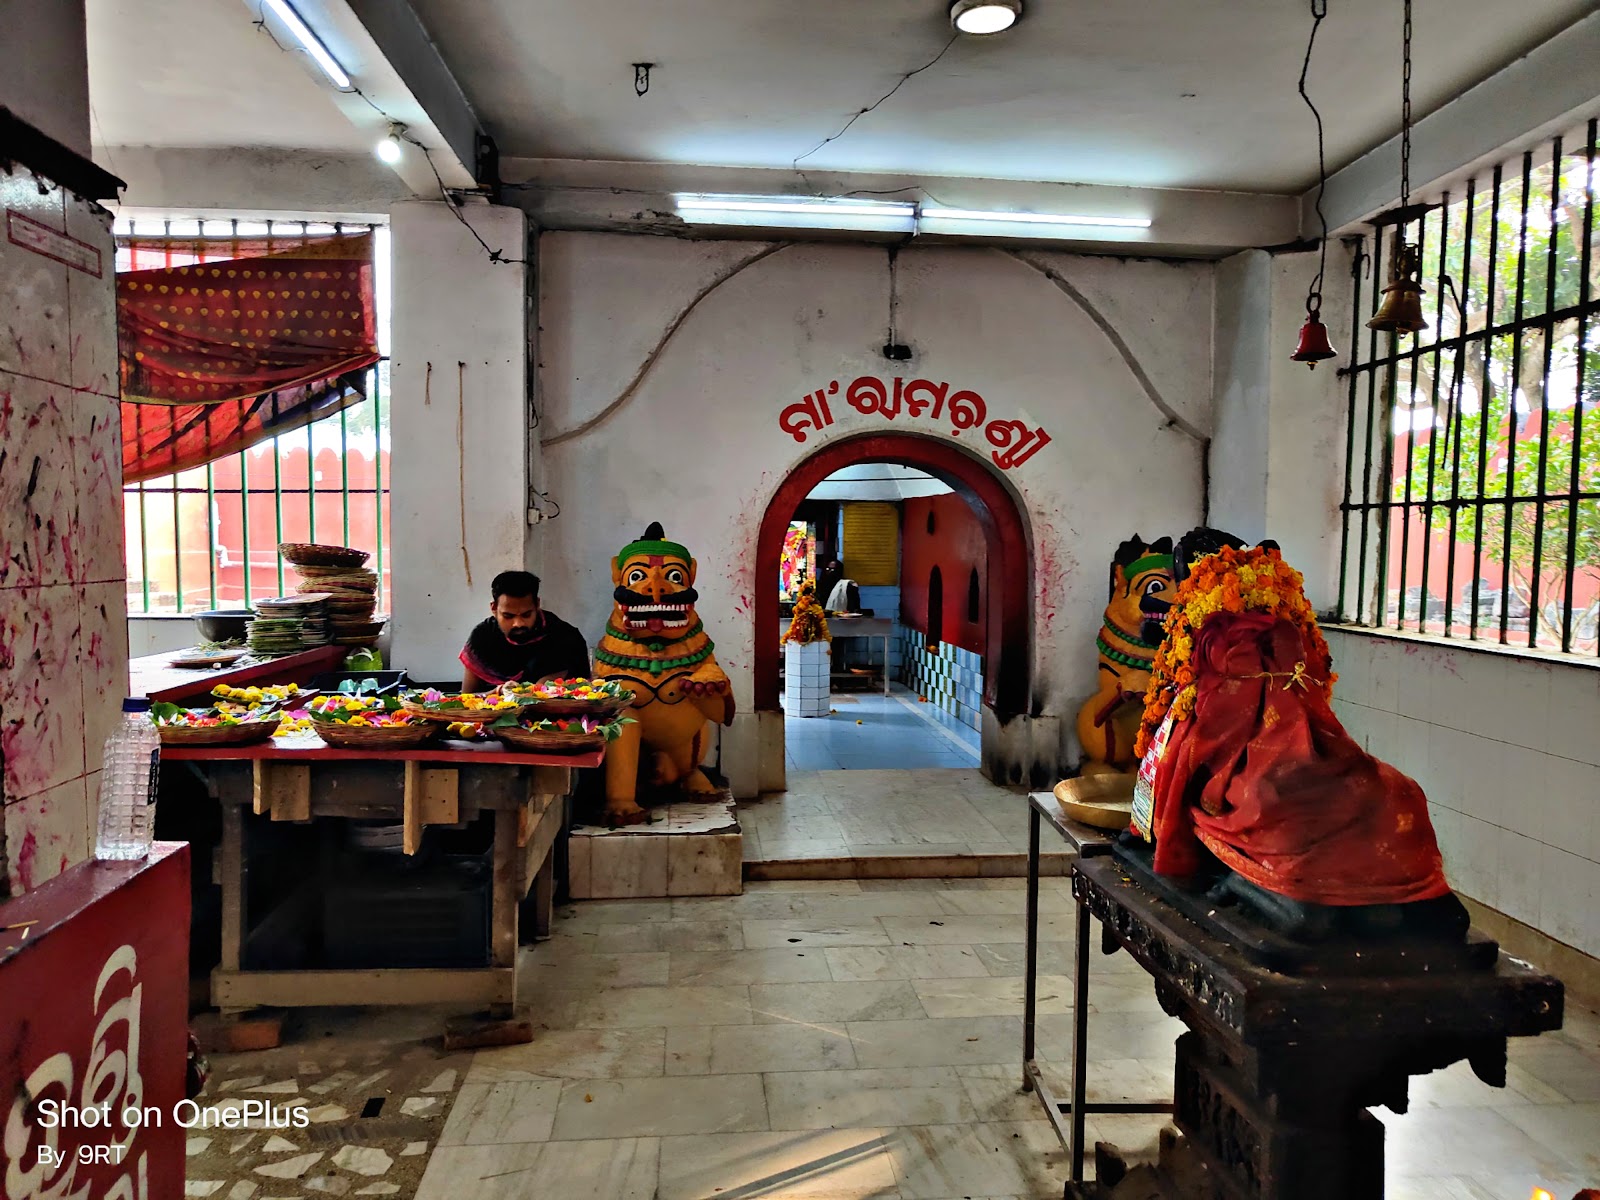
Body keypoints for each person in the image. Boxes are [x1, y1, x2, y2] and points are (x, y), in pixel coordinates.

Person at [460, 570, 591, 690]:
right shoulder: (482, 637)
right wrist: (497, 693)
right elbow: (466, 698)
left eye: (526, 615)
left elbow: (585, 695)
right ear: (494, 608)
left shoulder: (565, 637)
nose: (518, 623)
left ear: (537, 605)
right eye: (508, 616)